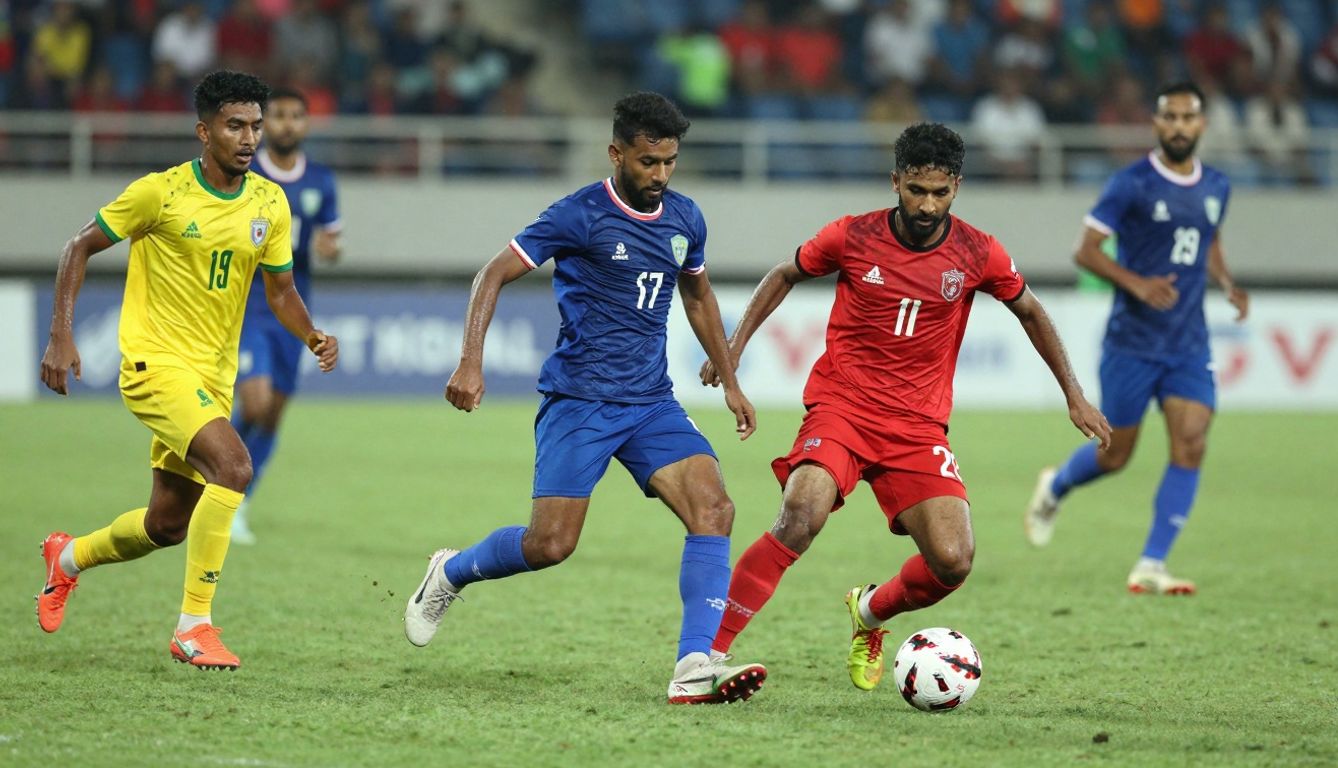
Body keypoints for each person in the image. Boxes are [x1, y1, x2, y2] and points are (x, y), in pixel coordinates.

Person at [701, 122, 1111, 692]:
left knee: (953, 561)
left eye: (940, 193)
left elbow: (1032, 311)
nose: (926, 204)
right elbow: (783, 274)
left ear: (957, 188)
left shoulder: (978, 251)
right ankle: (706, 656)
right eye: (916, 190)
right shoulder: (851, 236)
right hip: (842, 407)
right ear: (896, 181)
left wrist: (1073, 393)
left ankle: (870, 612)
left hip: (917, 425)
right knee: (800, 515)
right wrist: (734, 350)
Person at [403, 92, 766, 705]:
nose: (660, 175)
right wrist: (470, 360)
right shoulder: (579, 215)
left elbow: (698, 295)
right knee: (551, 545)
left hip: (651, 402)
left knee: (716, 510)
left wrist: (730, 379)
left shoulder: (685, 218)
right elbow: (492, 273)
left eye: (670, 162)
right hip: (580, 401)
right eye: (649, 162)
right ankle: (451, 571)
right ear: (617, 152)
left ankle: (693, 666)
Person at [36, 71, 339, 670]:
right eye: (235, 125)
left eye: (255, 125)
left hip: (211, 377)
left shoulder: (268, 201)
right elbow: (79, 246)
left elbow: (280, 289)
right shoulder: (162, 193)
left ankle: (66, 559)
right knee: (234, 465)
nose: (249, 137)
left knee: (167, 524)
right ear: (204, 131)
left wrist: (310, 333)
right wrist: (60, 334)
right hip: (154, 366)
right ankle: (193, 627)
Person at [1025, 82, 1249, 595]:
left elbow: (1209, 239)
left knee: (1190, 444)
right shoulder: (1131, 184)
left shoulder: (1217, 185)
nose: (1177, 126)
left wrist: (1227, 282)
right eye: (1168, 117)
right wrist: (1136, 283)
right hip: (1131, 343)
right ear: (1156, 123)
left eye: (1187, 117)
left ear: (1201, 125)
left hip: (1189, 344)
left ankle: (1152, 563)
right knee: (1115, 455)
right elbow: (1086, 251)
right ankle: (1055, 485)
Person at [231, 86, 342, 544]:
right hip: (247, 306)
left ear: (305, 123)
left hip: (294, 308)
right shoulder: (245, 172)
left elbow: (333, 243)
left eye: (296, 116)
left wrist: (330, 249)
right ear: (264, 122)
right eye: (277, 116)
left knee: (273, 415)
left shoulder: (320, 179)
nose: (286, 124)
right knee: (253, 404)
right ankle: (218, 475)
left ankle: (240, 501)